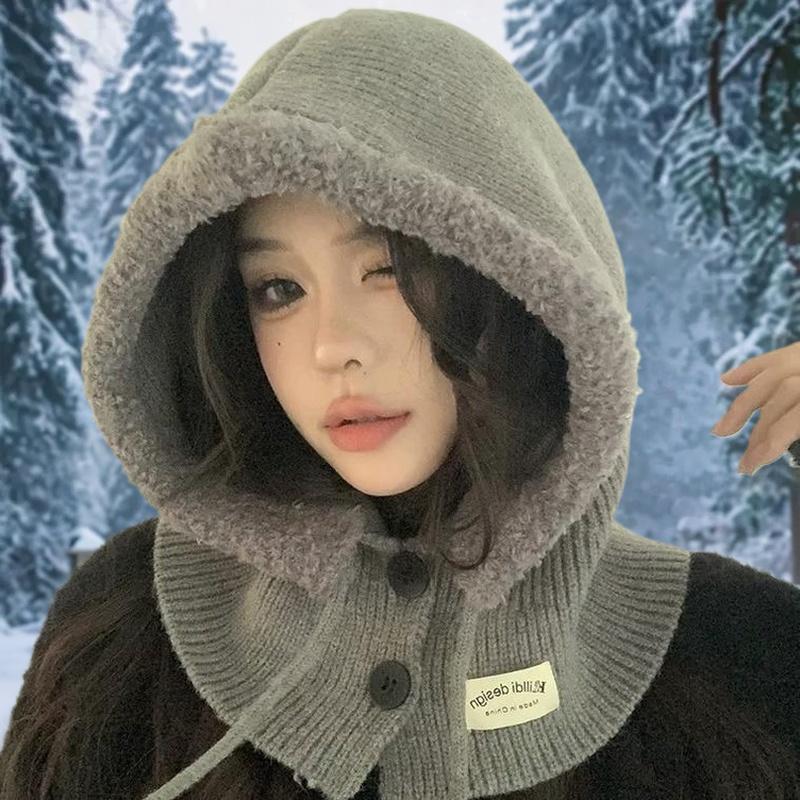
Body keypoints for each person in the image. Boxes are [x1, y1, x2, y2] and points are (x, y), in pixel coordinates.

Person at [2, 9, 799, 800]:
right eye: (278, 289)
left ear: (523, 283)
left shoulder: (741, 656)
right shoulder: (120, 637)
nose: (331, 346)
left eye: (386, 269)